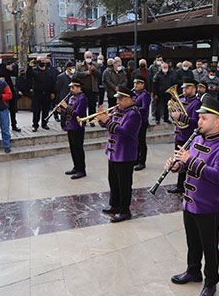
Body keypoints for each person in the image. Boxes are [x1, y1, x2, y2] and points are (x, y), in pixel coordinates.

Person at [167, 95, 219, 296]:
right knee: (192, 241)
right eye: (199, 118)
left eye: (204, 118)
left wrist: (190, 160)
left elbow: (216, 176)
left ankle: (211, 281)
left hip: (208, 206)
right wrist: (178, 165)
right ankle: (193, 271)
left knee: (209, 246)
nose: (199, 122)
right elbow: (188, 166)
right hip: (189, 201)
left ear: (217, 121)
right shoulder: (196, 140)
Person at [97, 85, 141, 223]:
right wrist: (101, 119)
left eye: (120, 99)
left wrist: (107, 121)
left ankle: (124, 210)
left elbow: (124, 131)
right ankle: (114, 205)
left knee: (124, 184)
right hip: (113, 152)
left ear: (129, 99)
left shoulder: (134, 114)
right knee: (113, 181)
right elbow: (108, 125)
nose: (117, 102)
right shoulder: (117, 110)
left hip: (125, 154)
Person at [168, 80, 202, 194]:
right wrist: (172, 112)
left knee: (187, 162)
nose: (184, 90)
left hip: (188, 137)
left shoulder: (197, 103)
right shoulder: (181, 100)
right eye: (183, 88)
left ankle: (188, 186)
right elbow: (175, 117)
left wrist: (180, 116)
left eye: (187, 88)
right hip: (179, 134)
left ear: (194, 88)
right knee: (178, 161)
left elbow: (195, 122)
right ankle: (180, 185)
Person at [59, 77, 88, 179]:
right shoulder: (71, 97)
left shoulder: (83, 98)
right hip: (70, 126)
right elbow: (68, 112)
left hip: (77, 127)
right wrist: (61, 111)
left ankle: (82, 170)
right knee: (73, 148)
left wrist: (66, 107)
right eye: (71, 88)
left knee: (78, 148)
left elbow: (77, 114)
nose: (71, 90)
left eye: (73, 87)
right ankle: (76, 166)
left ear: (79, 88)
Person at [0, 52, 21, 132]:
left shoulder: (5, 65)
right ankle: (2, 127)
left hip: (9, 88)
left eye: (0, 58)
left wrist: (11, 69)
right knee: (1, 109)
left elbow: (15, 74)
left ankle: (14, 125)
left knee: (12, 108)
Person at [27, 54, 55, 131]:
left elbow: (52, 82)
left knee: (46, 109)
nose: (42, 62)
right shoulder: (34, 70)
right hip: (37, 93)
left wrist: (53, 92)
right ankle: (35, 125)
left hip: (47, 93)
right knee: (36, 110)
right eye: (40, 61)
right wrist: (30, 66)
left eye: (43, 60)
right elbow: (28, 76)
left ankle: (44, 123)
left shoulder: (48, 71)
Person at [133, 75, 151, 171]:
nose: (135, 85)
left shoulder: (145, 95)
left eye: (137, 83)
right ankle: (136, 158)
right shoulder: (134, 93)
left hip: (142, 120)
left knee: (141, 141)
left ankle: (142, 161)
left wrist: (135, 108)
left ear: (142, 85)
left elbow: (145, 108)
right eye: (135, 83)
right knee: (135, 141)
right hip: (134, 120)